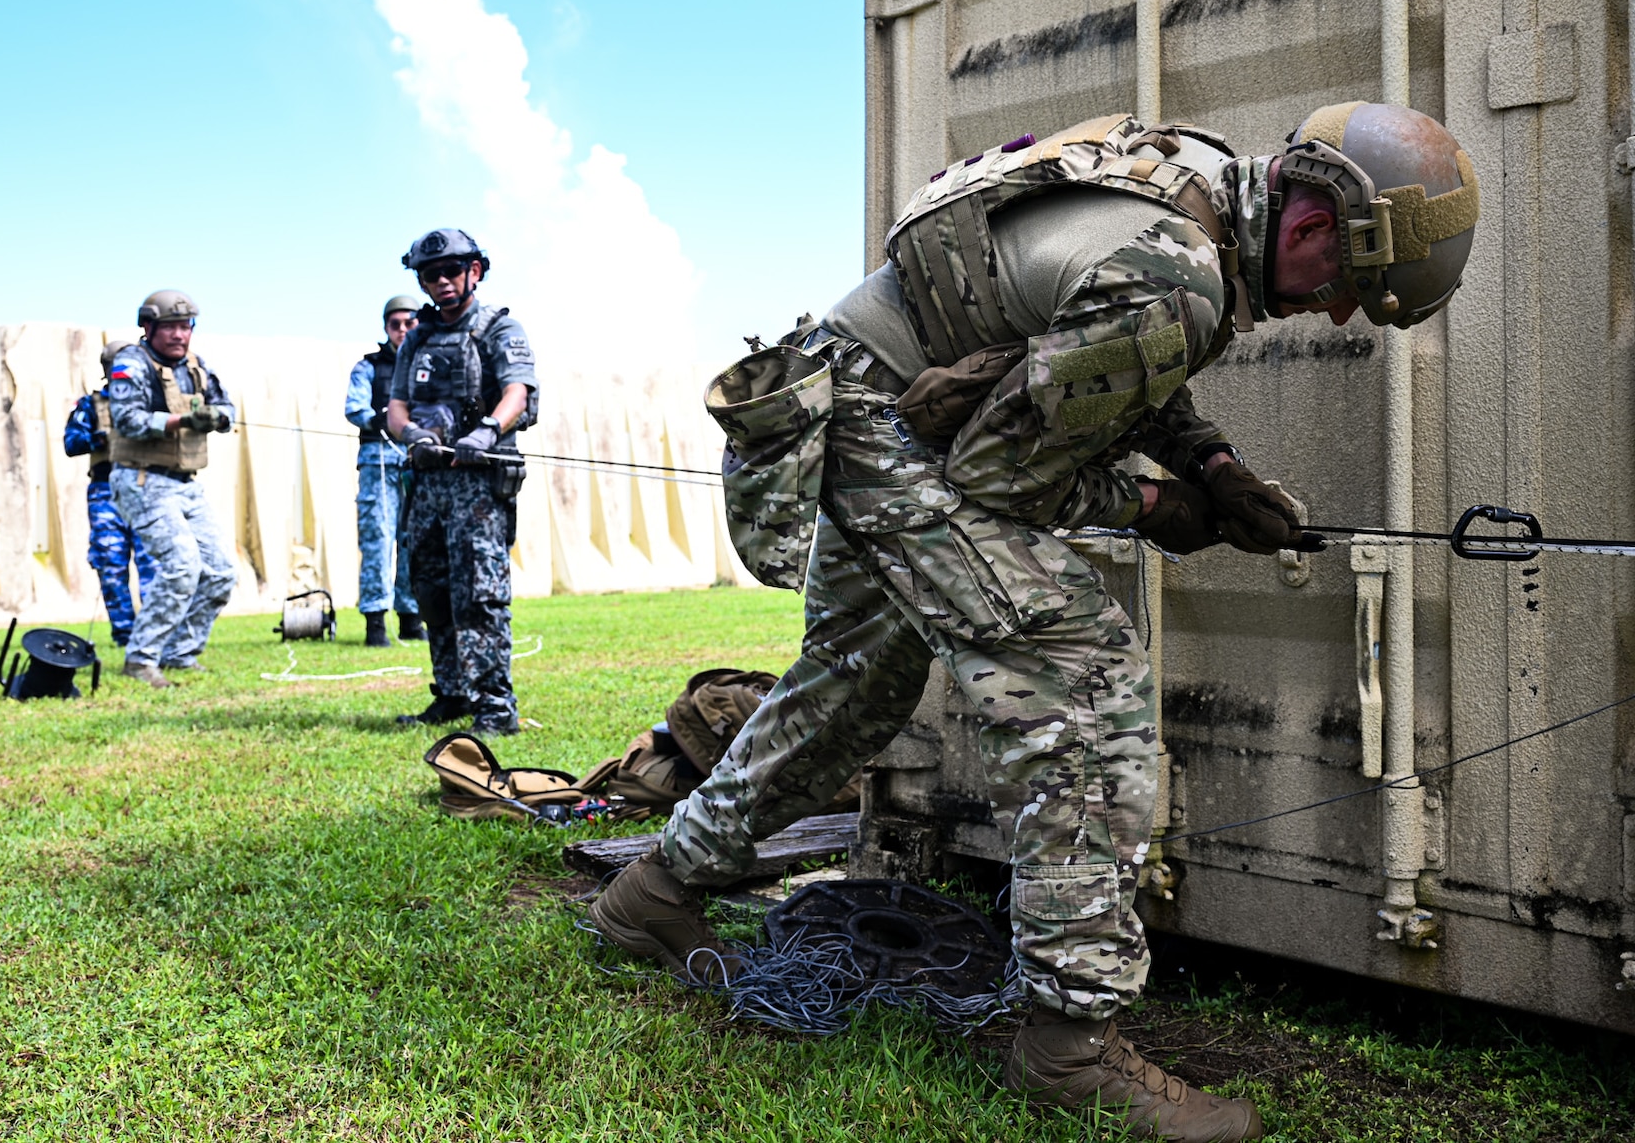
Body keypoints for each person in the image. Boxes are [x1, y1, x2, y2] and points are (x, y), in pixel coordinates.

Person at [587, 104, 1480, 1142]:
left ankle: (651, 892)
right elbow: (997, 472)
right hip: (893, 433)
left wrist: (1210, 463)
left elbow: (1088, 357)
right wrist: (1157, 509)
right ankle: (1067, 1046)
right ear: (1316, 228)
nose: (1333, 317)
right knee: (1081, 682)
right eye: (1344, 293)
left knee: (857, 679)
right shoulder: (1179, 279)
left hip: (854, 400)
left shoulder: (1191, 179)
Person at [383, 229, 538, 736]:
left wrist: (489, 430)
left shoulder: (499, 328)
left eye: (453, 271)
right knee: (432, 591)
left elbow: (518, 391)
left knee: (480, 595)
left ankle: (496, 705)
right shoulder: (419, 339)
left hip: (479, 485)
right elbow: (396, 406)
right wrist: (411, 435)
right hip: (428, 486)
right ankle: (451, 693)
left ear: (475, 271)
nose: (443, 282)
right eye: (432, 274)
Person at [106, 289, 239, 689]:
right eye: (170, 327)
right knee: (182, 566)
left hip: (185, 483)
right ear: (148, 327)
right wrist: (181, 422)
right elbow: (126, 419)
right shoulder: (131, 363)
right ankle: (141, 658)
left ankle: (180, 653)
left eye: (186, 326)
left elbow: (228, 408)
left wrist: (216, 417)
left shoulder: (196, 366)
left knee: (220, 572)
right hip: (142, 479)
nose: (180, 335)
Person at [62, 340, 157, 647]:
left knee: (152, 564)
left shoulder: (153, 401)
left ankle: (153, 633)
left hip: (146, 489)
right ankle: (125, 635)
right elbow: (71, 443)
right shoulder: (90, 405)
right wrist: (96, 439)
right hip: (106, 491)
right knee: (110, 562)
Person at [346, 295, 425, 648]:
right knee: (378, 538)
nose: (403, 330)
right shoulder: (369, 367)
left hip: (418, 459)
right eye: (396, 324)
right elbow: (354, 407)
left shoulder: (428, 365)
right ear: (386, 328)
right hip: (378, 458)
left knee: (415, 539)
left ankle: (411, 617)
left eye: (410, 323)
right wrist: (379, 419)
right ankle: (375, 622)